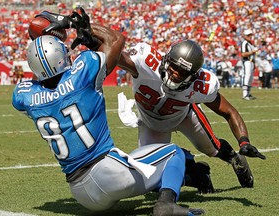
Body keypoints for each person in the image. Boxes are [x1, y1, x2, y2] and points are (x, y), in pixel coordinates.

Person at [13, 11, 206, 216]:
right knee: (174, 153)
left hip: (81, 193)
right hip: (108, 174)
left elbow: (40, 75)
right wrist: (71, 24)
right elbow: (116, 39)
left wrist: (39, 48)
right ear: (61, 58)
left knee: (136, 161)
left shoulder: (25, 96)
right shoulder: (82, 73)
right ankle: (166, 204)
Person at [112, 38, 266, 188]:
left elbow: (229, 112)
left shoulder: (201, 85)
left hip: (184, 116)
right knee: (152, 178)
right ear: (166, 60)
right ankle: (198, 174)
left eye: (183, 72)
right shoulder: (146, 63)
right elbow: (113, 54)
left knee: (212, 148)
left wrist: (244, 141)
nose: (175, 74)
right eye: (174, 67)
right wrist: (92, 40)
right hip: (151, 123)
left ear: (193, 75)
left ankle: (234, 158)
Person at [240, 29, 260, 100]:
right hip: (247, 61)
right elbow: (243, 54)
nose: (250, 36)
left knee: (250, 78)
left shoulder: (250, 43)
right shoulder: (244, 43)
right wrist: (252, 52)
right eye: (248, 35)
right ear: (245, 36)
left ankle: (248, 93)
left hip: (251, 61)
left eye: (250, 35)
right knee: (247, 76)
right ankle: (245, 94)